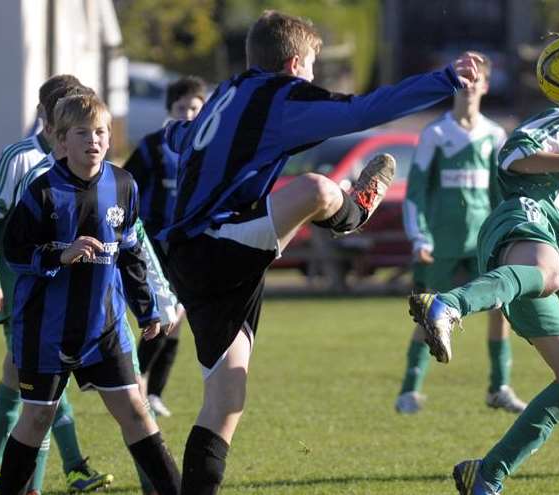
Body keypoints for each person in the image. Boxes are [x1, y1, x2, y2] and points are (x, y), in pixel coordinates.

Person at [159, 10, 482, 494]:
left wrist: (173, 136)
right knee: (315, 188)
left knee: (226, 399)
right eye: (311, 65)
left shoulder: (228, 92)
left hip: (195, 258)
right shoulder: (277, 96)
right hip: (218, 244)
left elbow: (181, 137)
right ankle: (352, 213)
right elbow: (362, 111)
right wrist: (444, 80)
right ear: (293, 65)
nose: (312, 77)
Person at [408, 64, 559, 494]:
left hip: (529, 251)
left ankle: (486, 474)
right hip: (515, 224)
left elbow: (554, 228)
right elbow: (511, 155)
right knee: (550, 271)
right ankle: (448, 304)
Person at [0, 94, 181, 495]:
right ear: (62, 141)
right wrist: (59, 255)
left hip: (104, 327)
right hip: (46, 331)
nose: (94, 140)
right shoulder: (42, 191)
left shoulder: (123, 184)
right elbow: (12, 250)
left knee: (136, 411)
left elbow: (131, 252)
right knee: (36, 418)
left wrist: (147, 310)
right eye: (82, 133)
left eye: (100, 132)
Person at [0, 76, 112, 494]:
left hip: (66, 294)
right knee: (42, 386)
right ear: (47, 121)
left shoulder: (80, 163)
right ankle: (61, 472)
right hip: (24, 289)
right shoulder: (17, 158)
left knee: (20, 379)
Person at [395, 52, 526, 415]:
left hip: (483, 242)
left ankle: (499, 386)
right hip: (440, 242)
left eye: (476, 80)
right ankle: (409, 390)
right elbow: (416, 191)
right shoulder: (435, 134)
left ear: (485, 85)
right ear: (455, 84)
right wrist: (420, 237)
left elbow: (500, 194)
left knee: (500, 307)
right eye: (462, 80)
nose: (469, 87)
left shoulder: (494, 135)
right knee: (427, 311)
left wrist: (508, 235)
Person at [124, 75, 208, 418]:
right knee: (164, 316)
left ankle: (154, 392)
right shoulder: (153, 147)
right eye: (181, 108)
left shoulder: (208, 148)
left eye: (194, 108)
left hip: (191, 245)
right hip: (156, 244)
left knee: (177, 322)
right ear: (169, 110)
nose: (188, 114)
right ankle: (139, 381)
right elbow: (126, 186)